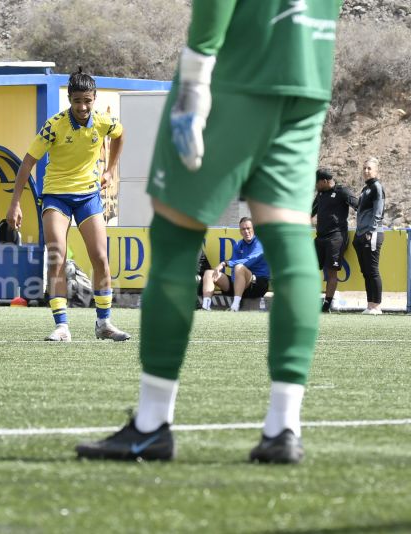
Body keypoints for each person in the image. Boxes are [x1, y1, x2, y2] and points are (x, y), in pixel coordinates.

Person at [76, 1, 342, 464]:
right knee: (292, 240)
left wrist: (196, 77)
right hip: (307, 75)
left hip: (233, 72)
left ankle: (152, 423)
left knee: (177, 241)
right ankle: (284, 427)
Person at [6, 69, 130, 342]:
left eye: (87, 100)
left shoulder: (102, 121)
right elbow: (27, 162)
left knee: (100, 257)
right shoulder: (54, 126)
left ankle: (104, 323)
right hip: (56, 196)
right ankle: (62, 326)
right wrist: (15, 204)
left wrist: (110, 170)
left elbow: (120, 136)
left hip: (87, 196)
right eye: (76, 101)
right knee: (57, 256)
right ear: (69, 100)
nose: (82, 107)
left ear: (94, 98)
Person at [311, 167, 358, 312]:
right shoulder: (320, 194)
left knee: (332, 272)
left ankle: (326, 305)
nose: (315, 185)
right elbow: (309, 212)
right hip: (320, 238)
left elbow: (358, 206)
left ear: (324, 181)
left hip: (335, 238)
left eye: (316, 183)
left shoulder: (342, 191)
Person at [200, 217, 270, 311]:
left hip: (257, 285)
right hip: (240, 286)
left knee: (239, 267)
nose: (246, 231)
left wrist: (225, 263)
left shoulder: (260, 242)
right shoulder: (238, 245)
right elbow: (234, 271)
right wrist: (235, 283)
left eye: (248, 228)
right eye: (243, 229)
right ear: (240, 231)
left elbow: (249, 261)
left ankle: (235, 306)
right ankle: (205, 306)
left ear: (254, 229)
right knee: (209, 273)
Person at [353, 157, 385, 315]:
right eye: (364, 168)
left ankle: (377, 306)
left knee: (372, 270)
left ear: (376, 170)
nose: (366, 171)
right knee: (365, 271)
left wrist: (370, 232)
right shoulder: (364, 189)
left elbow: (378, 212)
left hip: (372, 234)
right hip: (361, 234)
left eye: (369, 168)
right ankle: (370, 305)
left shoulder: (377, 187)